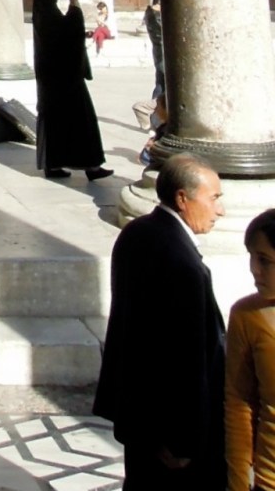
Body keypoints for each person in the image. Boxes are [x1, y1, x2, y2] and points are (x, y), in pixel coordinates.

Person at [94, 154, 226, 488]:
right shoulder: (184, 265)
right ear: (183, 198)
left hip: (140, 420)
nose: (219, 211)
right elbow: (186, 359)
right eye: (213, 199)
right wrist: (182, 440)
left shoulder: (136, 233)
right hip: (172, 437)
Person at [31, 0, 113, 183]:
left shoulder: (43, 14)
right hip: (65, 81)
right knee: (81, 122)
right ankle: (91, 166)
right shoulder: (48, 15)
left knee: (58, 124)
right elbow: (70, 32)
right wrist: (74, 2)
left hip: (53, 81)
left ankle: (55, 163)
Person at [226, 208, 275, 491]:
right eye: (252, 257)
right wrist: (238, 483)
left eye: (265, 261)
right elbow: (238, 403)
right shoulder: (246, 315)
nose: (254, 269)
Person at [145, 0, 165, 100]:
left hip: (157, 50)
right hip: (163, 52)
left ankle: (155, 112)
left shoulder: (149, 12)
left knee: (160, 83)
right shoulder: (156, 16)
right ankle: (155, 113)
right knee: (163, 85)